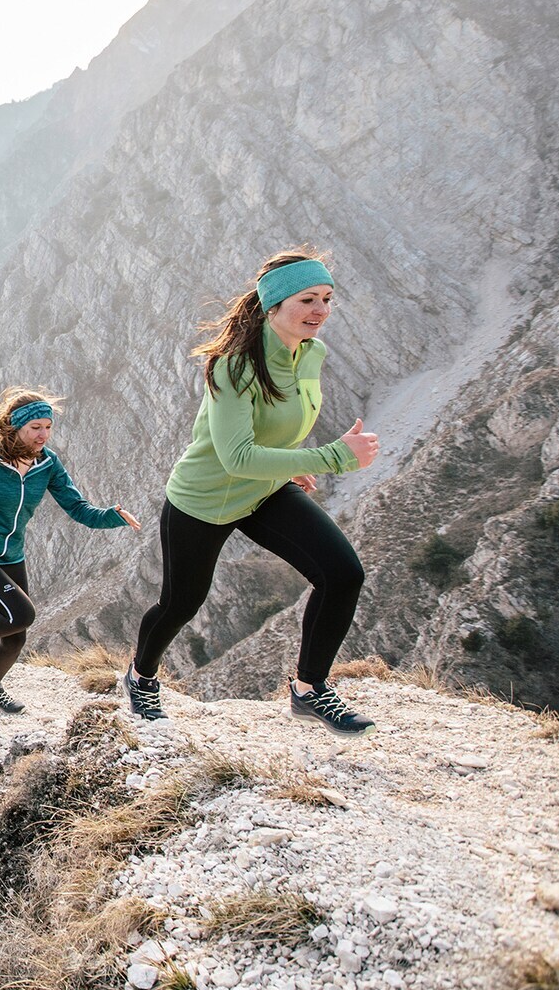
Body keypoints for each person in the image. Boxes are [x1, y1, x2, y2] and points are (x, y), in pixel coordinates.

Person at [123, 249, 381, 735]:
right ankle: (141, 677)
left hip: (264, 491)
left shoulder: (311, 352)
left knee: (342, 574)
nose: (321, 310)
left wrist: (287, 467)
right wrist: (332, 457)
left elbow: (279, 426)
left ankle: (309, 691)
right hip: (203, 499)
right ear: (273, 306)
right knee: (182, 603)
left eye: (327, 299)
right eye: (307, 299)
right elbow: (235, 456)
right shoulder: (233, 365)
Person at [0, 388, 140, 714]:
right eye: (35, 428)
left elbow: (78, 508)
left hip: (11, 554)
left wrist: (112, 516)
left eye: (48, 427)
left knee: (17, 633)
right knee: (22, 613)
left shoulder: (47, 463)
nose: (43, 434)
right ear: (15, 427)